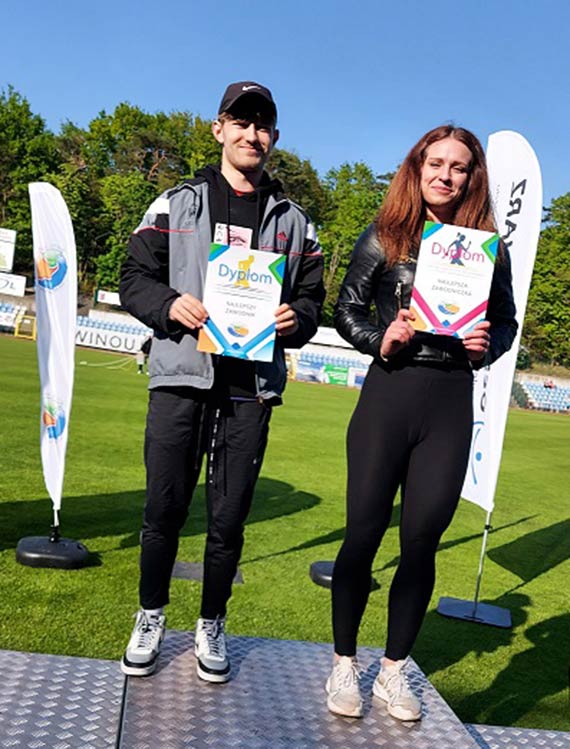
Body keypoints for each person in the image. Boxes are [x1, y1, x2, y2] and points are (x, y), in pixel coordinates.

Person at [119, 81, 325, 682]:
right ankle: (151, 613)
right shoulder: (174, 202)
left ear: (274, 137)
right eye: (241, 122)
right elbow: (134, 276)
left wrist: (298, 319)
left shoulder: (294, 221)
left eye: (262, 125)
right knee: (164, 507)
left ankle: (212, 621)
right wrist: (168, 305)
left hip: (249, 386)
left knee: (228, 517)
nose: (251, 134)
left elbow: (313, 299)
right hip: (181, 376)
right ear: (218, 129)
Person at [326, 125, 517, 720]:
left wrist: (489, 343)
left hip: (450, 402)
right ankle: (343, 664)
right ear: (417, 167)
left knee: (422, 541)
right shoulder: (385, 237)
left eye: (458, 167)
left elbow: (507, 322)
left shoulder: (490, 249)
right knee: (362, 533)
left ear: (471, 177)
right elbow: (346, 309)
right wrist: (383, 337)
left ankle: (392, 672)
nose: (445, 174)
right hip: (390, 395)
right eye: (435, 162)